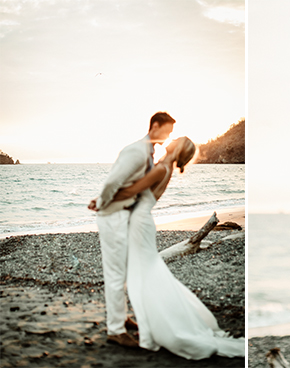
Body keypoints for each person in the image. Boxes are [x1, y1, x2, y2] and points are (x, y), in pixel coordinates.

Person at [110, 136, 245, 359]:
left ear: (178, 148)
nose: (171, 140)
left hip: (138, 222)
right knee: (145, 270)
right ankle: (136, 316)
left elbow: (129, 193)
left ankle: (158, 321)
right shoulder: (165, 168)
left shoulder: (161, 168)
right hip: (142, 220)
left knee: (143, 272)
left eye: (177, 140)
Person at [88, 111, 175, 348]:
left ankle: (121, 318)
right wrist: (103, 203)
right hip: (113, 216)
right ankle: (115, 330)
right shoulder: (136, 151)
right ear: (154, 126)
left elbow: (127, 185)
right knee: (116, 273)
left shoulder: (148, 153)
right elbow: (112, 182)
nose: (168, 136)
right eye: (167, 131)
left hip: (122, 214)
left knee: (123, 270)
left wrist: (100, 200)